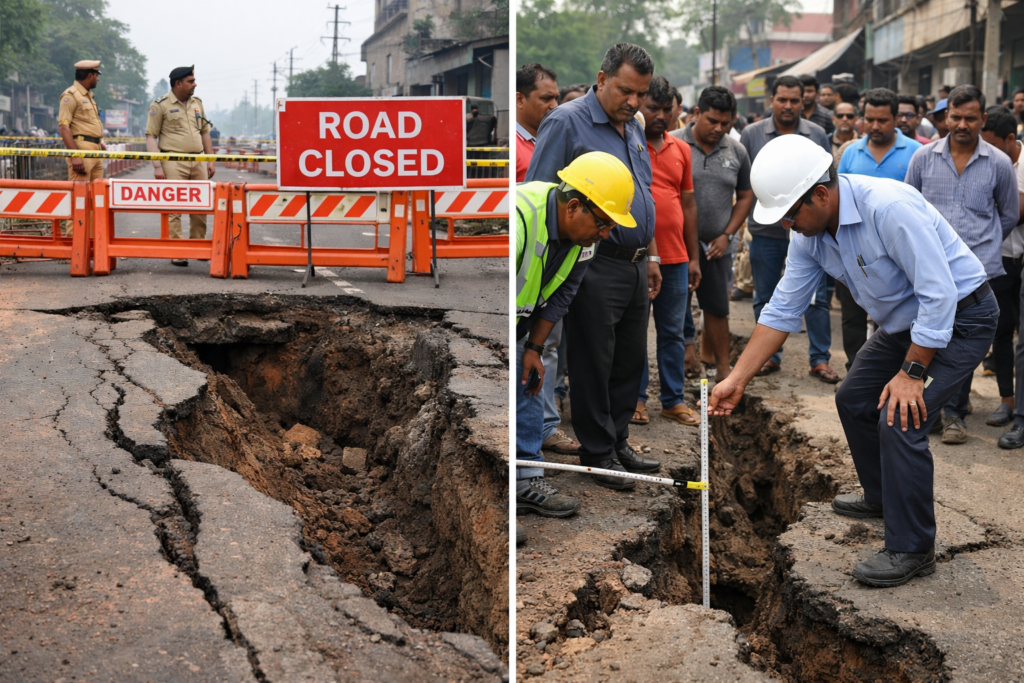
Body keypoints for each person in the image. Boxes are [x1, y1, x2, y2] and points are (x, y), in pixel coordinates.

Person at [709, 133, 996, 587]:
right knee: (853, 397)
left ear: (821, 194)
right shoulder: (810, 233)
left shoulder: (888, 208)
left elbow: (938, 293)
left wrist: (912, 373)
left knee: (901, 416)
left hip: (961, 317)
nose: (786, 224)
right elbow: (784, 308)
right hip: (904, 323)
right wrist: (737, 378)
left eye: (789, 213)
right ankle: (883, 496)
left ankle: (912, 546)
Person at [526, 43, 663, 489]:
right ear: (601, 79)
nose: (634, 102)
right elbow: (544, 196)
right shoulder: (567, 122)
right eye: (625, 91)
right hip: (592, 261)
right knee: (593, 360)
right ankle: (597, 452)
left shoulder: (634, 126)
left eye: (640, 94)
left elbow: (640, 193)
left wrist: (653, 254)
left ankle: (618, 440)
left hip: (636, 263)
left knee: (629, 359)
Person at [516, 152, 636, 534]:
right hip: (491, 320)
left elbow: (565, 293)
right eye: (602, 224)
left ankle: (525, 480)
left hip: (523, 323)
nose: (605, 234)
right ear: (573, 207)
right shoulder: (519, 219)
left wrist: (533, 349)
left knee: (530, 383)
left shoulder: (584, 239)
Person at [905, 85, 1020, 444]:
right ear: (945, 117)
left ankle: (953, 414)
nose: (962, 124)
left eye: (971, 118)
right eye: (956, 117)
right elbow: (909, 207)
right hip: (929, 269)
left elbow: (1008, 214)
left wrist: (978, 249)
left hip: (978, 273)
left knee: (965, 341)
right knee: (931, 336)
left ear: (983, 119)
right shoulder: (923, 159)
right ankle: (930, 409)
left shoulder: (999, 164)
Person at [740, 74, 840, 383]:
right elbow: (745, 186)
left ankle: (819, 358)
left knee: (817, 295)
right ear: (771, 100)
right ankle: (768, 356)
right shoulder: (751, 134)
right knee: (766, 294)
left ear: (803, 101)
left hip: (810, 230)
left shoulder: (817, 134)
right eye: (782, 99)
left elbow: (828, 180)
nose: (788, 105)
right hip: (768, 230)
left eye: (795, 100)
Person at [633, 75, 701, 427]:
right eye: (652, 108)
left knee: (673, 331)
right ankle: (636, 399)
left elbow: (688, 205)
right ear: (640, 108)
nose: (660, 115)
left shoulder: (682, 150)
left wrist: (693, 257)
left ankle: (673, 400)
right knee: (635, 331)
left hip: (676, 259)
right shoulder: (629, 146)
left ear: (676, 110)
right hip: (639, 257)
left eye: (666, 109)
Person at [674, 86, 754, 383]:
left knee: (717, 309)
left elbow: (745, 196)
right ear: (696, 114)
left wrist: (727, 235)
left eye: (726, 123)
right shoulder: (673, 144)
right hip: (678, 244)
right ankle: (679, 369)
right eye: (712, 121)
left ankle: (723, 369)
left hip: (716, 247)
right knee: (675, 307)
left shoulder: (736, 151)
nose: (719, 129)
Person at [978, 107, 1024, 443]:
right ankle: (1008, 401)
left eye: (994, 145)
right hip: (1001, 260)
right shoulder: (987, 162)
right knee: (1003, 328)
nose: (989, 151)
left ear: (1012, 139)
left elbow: (1014, 211)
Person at [146, 65, 216, 266]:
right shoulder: (160, 105)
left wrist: (210, 160)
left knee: (201, 204)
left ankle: (199, 246)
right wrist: (157, 166)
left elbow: (205, 132)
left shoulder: (197, 103)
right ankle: (176, 250)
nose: (195, 84)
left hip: (198, 160)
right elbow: (151, 136)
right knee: (174, 206)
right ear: (178, 83)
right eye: (190, 81)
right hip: (173, 161)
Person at [57, 59, 106, 236]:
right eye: (96, 76)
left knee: (95, 199)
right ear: (90, 75)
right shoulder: (70, 95)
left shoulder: (87, 97)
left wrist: (98, 142)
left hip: (94, 150)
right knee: (79, 199)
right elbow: (64, 126)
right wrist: (75, 155)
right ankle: (74, 243)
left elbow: (85, 125)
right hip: (81, 152)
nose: (98, 80)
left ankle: (91, 243)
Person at [516, 63, 559, 183]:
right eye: (546, 98)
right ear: (519, 99)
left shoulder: (558, 139)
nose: (554, 106)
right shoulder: (513, 147)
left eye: (556, 98)